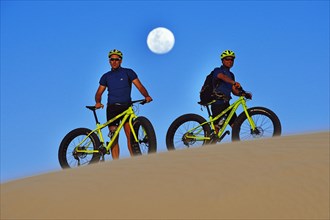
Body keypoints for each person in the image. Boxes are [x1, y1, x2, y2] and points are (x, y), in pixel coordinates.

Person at [94, 49, 152, 159]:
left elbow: (139, 86)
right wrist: (98, 102)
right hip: (112, 108)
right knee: (114, 136)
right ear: (109, 61)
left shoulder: (128, 72)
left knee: (130, 136)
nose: (114, 61)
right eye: (112, 59)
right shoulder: (106, 76)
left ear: (121, 61)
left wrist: (146, 96)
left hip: (126, 107)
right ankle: (116, 164)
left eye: (117, 59)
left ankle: (134, 161)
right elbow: (99, 92)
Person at [211, 50, 251, 130]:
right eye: (227, 59)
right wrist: (233, 82)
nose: (230, 61)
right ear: (222, 61)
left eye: (232, 59)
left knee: (236, 126)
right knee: (217, 127)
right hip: (217, 103)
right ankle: (211, 142)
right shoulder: (218, 70)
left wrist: (243, 93)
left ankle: (237, 141)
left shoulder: (231, 75)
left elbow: (234, 91)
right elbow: (221, 76)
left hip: (226, 104)